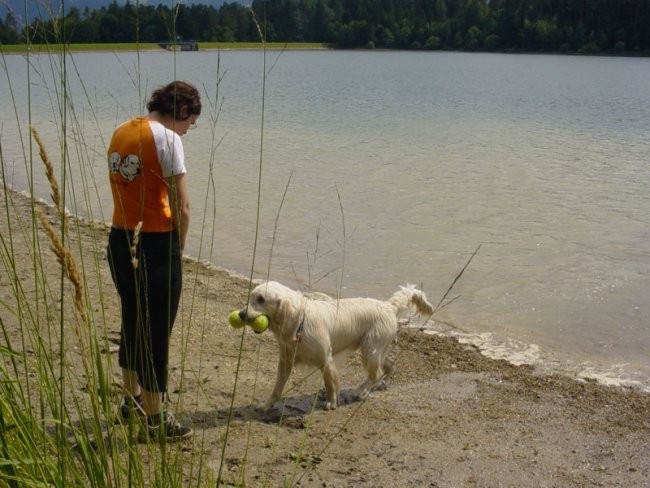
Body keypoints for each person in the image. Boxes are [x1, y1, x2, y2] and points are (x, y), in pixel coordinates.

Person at [106, 81, 200, 442]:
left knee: (131, 319)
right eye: (190, 122)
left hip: (119, 238)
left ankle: (131, 401)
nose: (188, 130)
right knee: (157, 331)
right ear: (182, 111)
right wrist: (179, 246)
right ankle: (157, 420)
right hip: (156, 244)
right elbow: (183, 206)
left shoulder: (120, 131)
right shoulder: (168, 139)